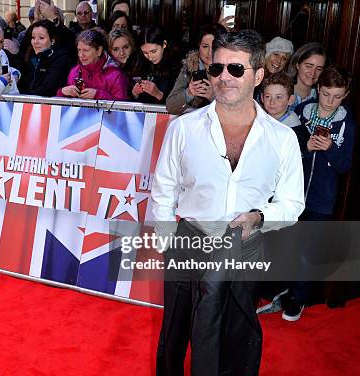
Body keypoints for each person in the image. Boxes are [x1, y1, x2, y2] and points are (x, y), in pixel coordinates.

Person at [152, 30, 304, 376]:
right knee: (175, 333)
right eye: (217, 68)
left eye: (236, 69)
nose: (224, 77)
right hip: (188, 239)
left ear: (259, 75)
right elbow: (163, 187)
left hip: (246, 245)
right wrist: (165, 242)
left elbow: (293, 203)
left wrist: (259, 217)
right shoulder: (184, 128)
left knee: (235, 333)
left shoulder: (281, 139)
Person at [284, 65, 356, 321]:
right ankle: (284, 288)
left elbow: (344, 165)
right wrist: (306, 145)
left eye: (337, 96)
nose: (330, 101)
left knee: (307, 250)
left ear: (345, 94)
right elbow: (287, 148)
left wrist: (329, 149)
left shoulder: (346, 123)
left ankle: (298, 298)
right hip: (292, 192)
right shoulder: (303, 111)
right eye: (326, 94)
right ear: (317, 89)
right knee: (288, 243)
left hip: (322, 199)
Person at [166, 23, 226, 115]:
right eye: (205, 47)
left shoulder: (230, 70)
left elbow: (238, 111)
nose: (210, 52)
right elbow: (170, 107)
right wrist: (188, 93)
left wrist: (213, 97)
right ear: (199, 46)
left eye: (215, 47)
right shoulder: (190, 67)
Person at [58, 29, 128, 101]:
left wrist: (98, 94)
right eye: (79, 50)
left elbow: (122, 107)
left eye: (86, 50)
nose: (81, 55)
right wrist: (62, 92)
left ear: (99, 51)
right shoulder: (74, 72)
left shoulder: (115, 75)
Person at [18, 19, 72, 96]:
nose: (35, 41)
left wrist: (23, 97)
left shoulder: (62, 58)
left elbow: (48, 88)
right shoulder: (29, 56)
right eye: (33, 37)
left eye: (41, 38)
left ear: (52, 40)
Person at [130, 27, 177, 104]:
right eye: (145, 52)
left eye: (153, 51)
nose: (150, 57)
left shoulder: (176, 66)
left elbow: (180, 102)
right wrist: (135, 93)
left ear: (164, 44)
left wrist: (158, 94)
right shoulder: (140, 62)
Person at [286, 42, 327, 111]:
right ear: (297, 65)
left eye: (319, 69)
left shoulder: (323, 97)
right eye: (308, 66)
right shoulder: (280, 91)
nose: (313, 73)